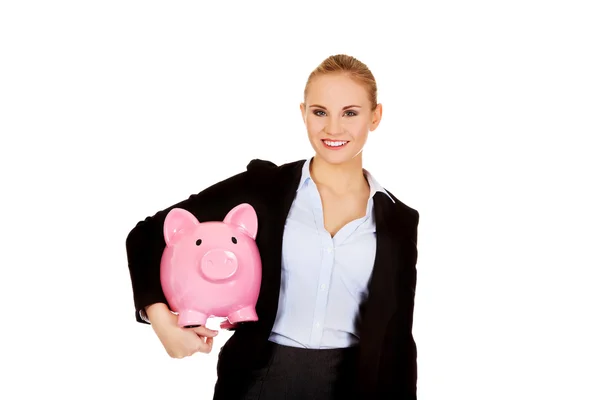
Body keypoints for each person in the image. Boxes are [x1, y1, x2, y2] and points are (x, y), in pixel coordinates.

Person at [125, 54, 420, 399]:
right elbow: (147, 234)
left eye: (350, 113)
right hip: (260, 380)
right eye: (320, 112)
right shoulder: (264, 188)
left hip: (355, 385)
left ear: (375, 116)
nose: (333, 128)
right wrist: (161, 320)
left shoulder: (400, 221)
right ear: (303, 113)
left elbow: (397, 339)